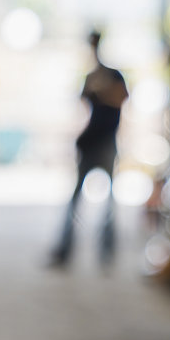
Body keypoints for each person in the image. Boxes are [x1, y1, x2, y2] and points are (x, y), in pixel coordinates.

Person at [48, 29, 127, 268]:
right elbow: (83, 102)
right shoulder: (93, 76)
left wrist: (101, 91)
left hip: (106, 143)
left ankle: (106, 254)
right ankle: (65, 251)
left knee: (109, 204)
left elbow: (121, 97)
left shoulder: (112, 75)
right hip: (91, 142)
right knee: (76, 200)